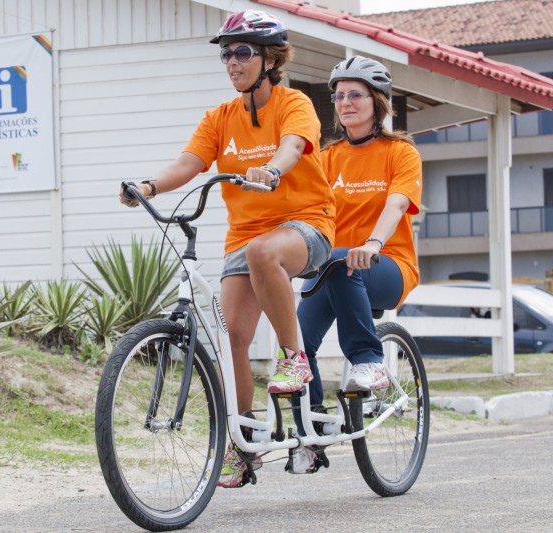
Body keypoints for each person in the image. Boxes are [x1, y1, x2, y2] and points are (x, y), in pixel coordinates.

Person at [118, 10, 335, 488]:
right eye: (226, 53)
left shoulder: (293, 103)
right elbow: (190, 163)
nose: (231, 62)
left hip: (306, 226)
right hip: (246, 237)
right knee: (232, 337)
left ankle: (293, 358)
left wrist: (273, 169)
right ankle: (244, 444)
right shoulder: (220, 117)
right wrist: (148, 187)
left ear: (270, 59)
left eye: (242, 52)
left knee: (264, 253)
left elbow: (294, 146)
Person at [291, 56, 423, 467]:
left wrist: (373, 242)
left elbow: (398, 202)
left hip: (388, 263)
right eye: (339, 96)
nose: (345, 102)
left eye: (355, 95)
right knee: (294, 345)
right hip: (334, 268)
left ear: (377, 102)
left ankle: (368, 360)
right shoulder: (327, 159)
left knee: (346, 259)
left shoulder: (399, 152)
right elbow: (305, 209)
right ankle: (311, 432)